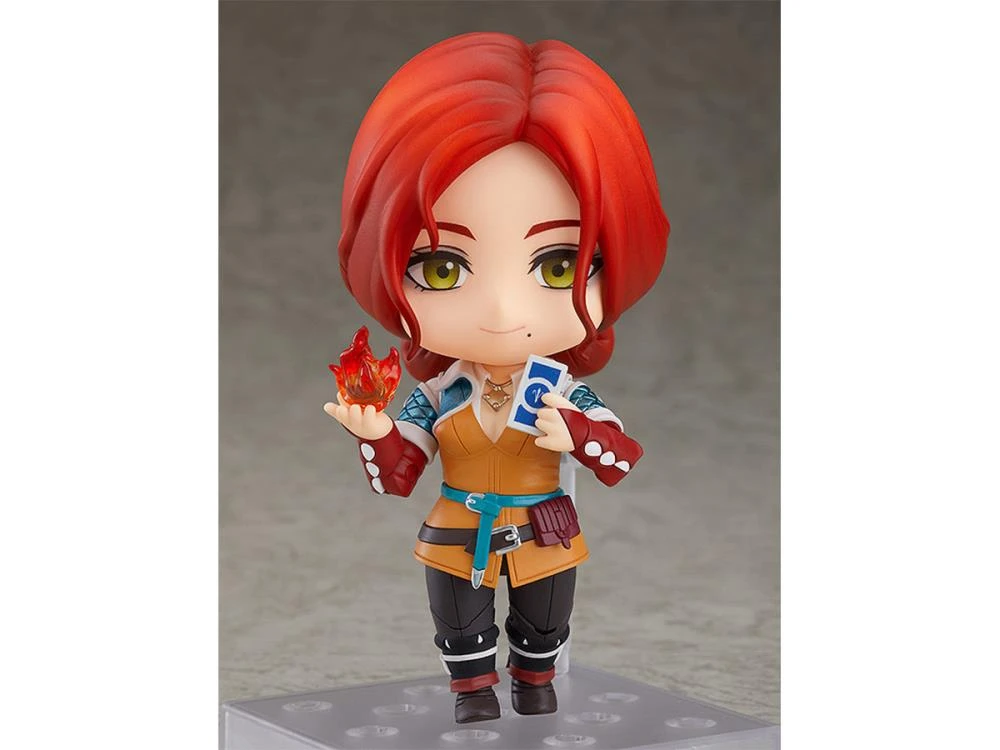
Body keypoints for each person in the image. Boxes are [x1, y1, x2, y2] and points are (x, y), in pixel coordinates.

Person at [325, 31, 669, 724]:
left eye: (560, 267)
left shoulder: (559, 389)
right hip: (458, 530)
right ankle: (472, 692)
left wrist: (575, 431)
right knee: (461, 629)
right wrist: (376, 430)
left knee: (544, 627)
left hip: (544, 530)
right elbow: (400, 473)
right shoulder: (438, 393)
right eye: (442, 268)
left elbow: (620, 455)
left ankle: (535, 681)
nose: (505, 313)